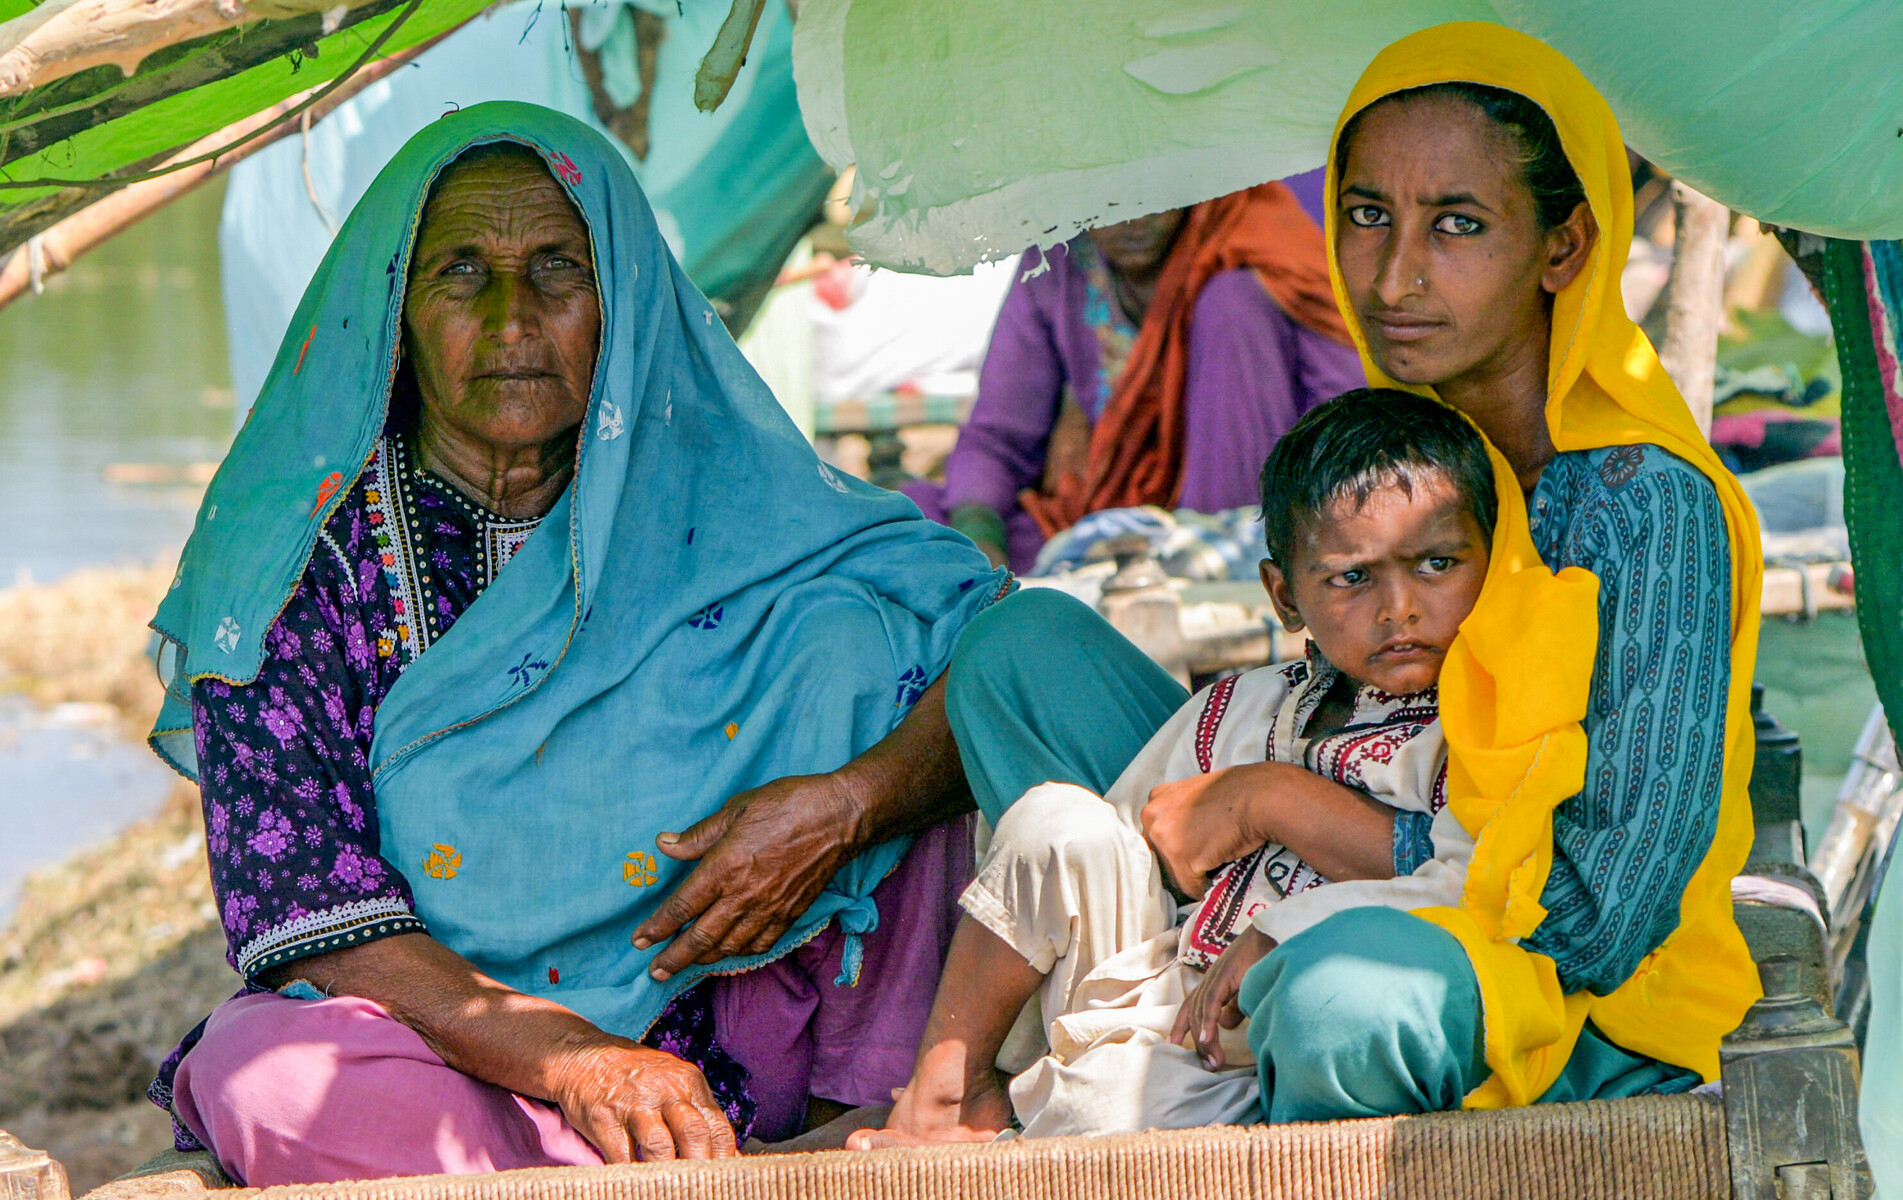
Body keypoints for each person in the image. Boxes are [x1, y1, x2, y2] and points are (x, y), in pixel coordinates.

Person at [142, 102, 1013, 1185]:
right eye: (461, 271)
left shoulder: (729, 507)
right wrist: (579, 1061)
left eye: (557, 267)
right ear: (394, 309)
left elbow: (996, 648)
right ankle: (712, 1172)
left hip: (741, 1054)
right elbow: (305, 909)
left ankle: (841, 1124)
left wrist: (848, 804)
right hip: (456, 1059)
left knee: (871, 642)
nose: (511, 320)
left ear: (624, 302)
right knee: (261, 1073)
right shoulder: (286, 571)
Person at [925, 21, 1768, 1126]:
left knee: (1344, 1005)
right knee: (1021, 653)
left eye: (1458, 223)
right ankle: (1103, 1061)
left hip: (1547, 992)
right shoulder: (1382, 455)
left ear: (1565, 246)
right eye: (1367, 215)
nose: (1396, 272)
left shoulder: (1639, 507)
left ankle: (1220, 1078)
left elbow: (1605, 916)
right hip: (1287, 894)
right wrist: (1261, 837)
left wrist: (1289, 839)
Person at [854, 388, 1500, 1145]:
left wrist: (1278, 911)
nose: (1400, 608)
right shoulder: (1243, 705)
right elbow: (1131, 838)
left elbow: (1481, 882)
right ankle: (950, 1090)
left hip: (1266, 1045)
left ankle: (1031, 1121)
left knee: (1102, 1110)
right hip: (1151, 992)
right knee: (1053, 821)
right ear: (1284, 596)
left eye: (1436, 564)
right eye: (1351, 578)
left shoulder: (1485, 727)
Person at [922, 187, 1363, 571]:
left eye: (1150, 193)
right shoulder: (1058, 255)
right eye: (1106, 197)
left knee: (1234, 304)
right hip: (1105, 519)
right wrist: (980, 535)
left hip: (1250, 524)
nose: (1133, 219)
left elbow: (1347, 420)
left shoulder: (1252, 229)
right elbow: (999, 435)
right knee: (916, 525)